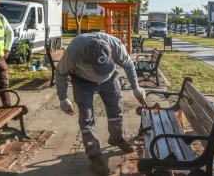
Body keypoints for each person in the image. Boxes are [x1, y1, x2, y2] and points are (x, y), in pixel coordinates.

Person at [55, 32, 146, 176]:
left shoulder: (115, 45)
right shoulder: (74, 51)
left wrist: (136, 87)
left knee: (116, 109)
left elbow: (128, 64)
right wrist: (63, 98)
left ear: (110, 52)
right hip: (82, 81)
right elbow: (60, 73)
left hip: (109, 79)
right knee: (86, 119)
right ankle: (95, 156)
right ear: (86, 58)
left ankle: (116, 137)